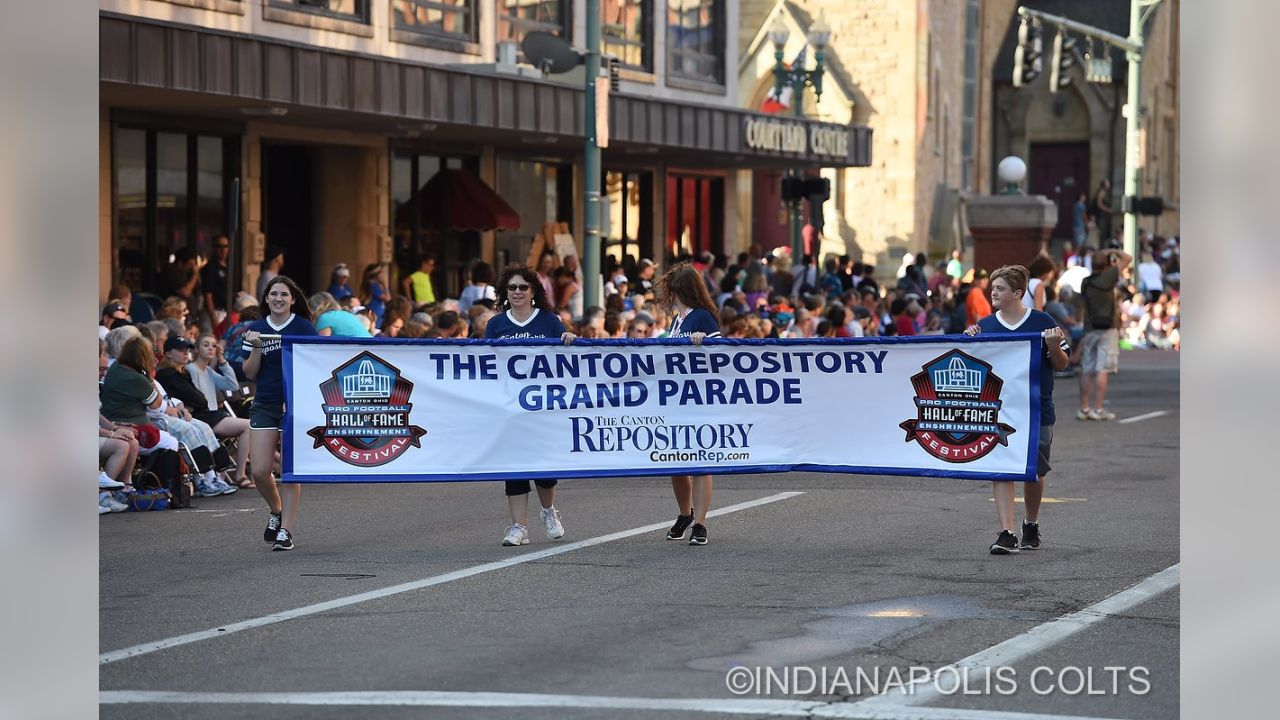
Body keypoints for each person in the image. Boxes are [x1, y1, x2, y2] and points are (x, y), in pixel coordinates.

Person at [965, 265, 1070, 555]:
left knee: (1034, 471)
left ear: (1017, 293)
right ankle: (1006, 533)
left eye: (999, 289)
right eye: (993, 288)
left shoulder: (1042, 321)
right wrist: (969, 342)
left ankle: (1031, 523)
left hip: (1038, 408)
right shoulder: (985, 326)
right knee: (1001, 469)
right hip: (999, 409)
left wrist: (1053, 346)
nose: (993, 293)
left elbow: (1062, 364)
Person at [484, 266, 577, 547]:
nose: (517, 292)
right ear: (504, 292)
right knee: (514, 469)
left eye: (522, 287)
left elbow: (565, 361)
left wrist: (570, 342)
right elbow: (485, 363)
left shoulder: (549, 321)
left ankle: (548, 511)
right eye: (512, 288)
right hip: (509, 408)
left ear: (533, 291)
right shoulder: (496, 325)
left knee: (544, 470)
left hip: (542, 408)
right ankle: (518, 527)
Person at [242, 275, 318, 551]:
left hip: (295, 405)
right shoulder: (256, 328)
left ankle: (286, 530)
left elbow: (315, 366)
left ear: (293, 299)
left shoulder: (303, 327)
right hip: (264, 402)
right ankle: (276, 509)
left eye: (284, 294)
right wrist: (258, 347)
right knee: (260, 471)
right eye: (274, 294)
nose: (278, 299)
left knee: (289, 470)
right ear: (266, 298)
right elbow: (250, 373)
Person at [656, 262, 722, 546]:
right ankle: (685, 513)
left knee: (699, 461)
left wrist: (704, 343)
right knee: (676, 461)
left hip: (699, 397)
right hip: (676, 398)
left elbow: (720, 356)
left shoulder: (704, 317)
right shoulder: (677, 321)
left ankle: (701, 522)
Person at [188, 333, 253, 487]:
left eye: (213, 345)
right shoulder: (192, 369)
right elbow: (196, 398)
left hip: (213, 415)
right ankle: (240, 473)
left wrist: (223, 361)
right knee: (249, 425)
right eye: (205, 345)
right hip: (203, 416)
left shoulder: (208, 371)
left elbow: (232, 386)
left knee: (251, 426)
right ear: (196, 350)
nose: (211, 348)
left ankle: (243, 471)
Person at [1078, 248, 1131, 421]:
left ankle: (1084, 408)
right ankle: (1098, 409)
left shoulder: (1085, 282)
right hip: (1108, 328)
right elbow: (1128, 258)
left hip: (1090, 327)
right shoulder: (1108, 278)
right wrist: (1112, 251)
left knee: (1086, 368)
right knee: (1102, 369)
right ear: (1107, 264)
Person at [202, 234, 231, 334]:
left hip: (227, 312)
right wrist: (213, 318)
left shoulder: (229, 267)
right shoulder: (210, 268)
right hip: (215, 313)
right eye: (220, 246)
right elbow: (208, 295)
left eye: (226, 246)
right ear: (214, 248)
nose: (223, 250)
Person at [1091, 179, 1114, 244]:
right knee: (1102, 231)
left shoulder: (1104, 192)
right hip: (1101, 215)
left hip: (1104, 215)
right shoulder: (1101, 192)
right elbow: (1099, 204)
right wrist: (1108, 210)